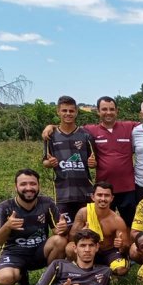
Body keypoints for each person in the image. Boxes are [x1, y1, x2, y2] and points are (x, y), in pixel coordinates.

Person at [42, 96, 143, 226]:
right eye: (104, 109)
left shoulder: (130, 127)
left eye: (112, 109)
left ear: (117, 111)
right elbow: (68, 125)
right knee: (103, 224)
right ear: (98, 111)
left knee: (132, 224)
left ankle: (129, 248)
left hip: (128, 188)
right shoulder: (89, 131)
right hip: (103, 189)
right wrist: (51, 126)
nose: (108, 112)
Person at [0, 169, 69, 285]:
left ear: (39, 186)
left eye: (33, 184)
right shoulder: (4, 207)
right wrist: (7, 226)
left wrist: (62, 228)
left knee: (60, 240)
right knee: (5, 279)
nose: (29, 188)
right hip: (14, 253)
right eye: (23, 184)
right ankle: (21, 274)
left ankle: (50, 277)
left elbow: (57, 231)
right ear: (15, 187)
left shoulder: (47, 203)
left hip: (39, 251)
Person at [43, 95, 96, 224]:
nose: (68, 114)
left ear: (76, 112)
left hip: (85, 192)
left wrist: (93, 164)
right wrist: (49, 163)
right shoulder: (50, 136)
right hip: (62, 192)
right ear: (58, 111)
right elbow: (45, 161)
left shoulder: (86, 135)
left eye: (71, 111)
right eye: (64, 110)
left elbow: (94, 162)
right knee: (64, 231)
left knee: (87, 231)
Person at [66, 182, 130, 276]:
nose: (103, 199)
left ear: (112, 198)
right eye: (99, 195)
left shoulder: (117, 221)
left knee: (121, 270)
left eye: (107, 195)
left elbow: (126, 247)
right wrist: (81, 234)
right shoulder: (84, 213)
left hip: (109, 252)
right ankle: (82, 269)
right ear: (93, 197)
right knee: (69, 248)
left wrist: (121, 245)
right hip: (89, 249)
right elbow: (71, 238)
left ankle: (102, 268)